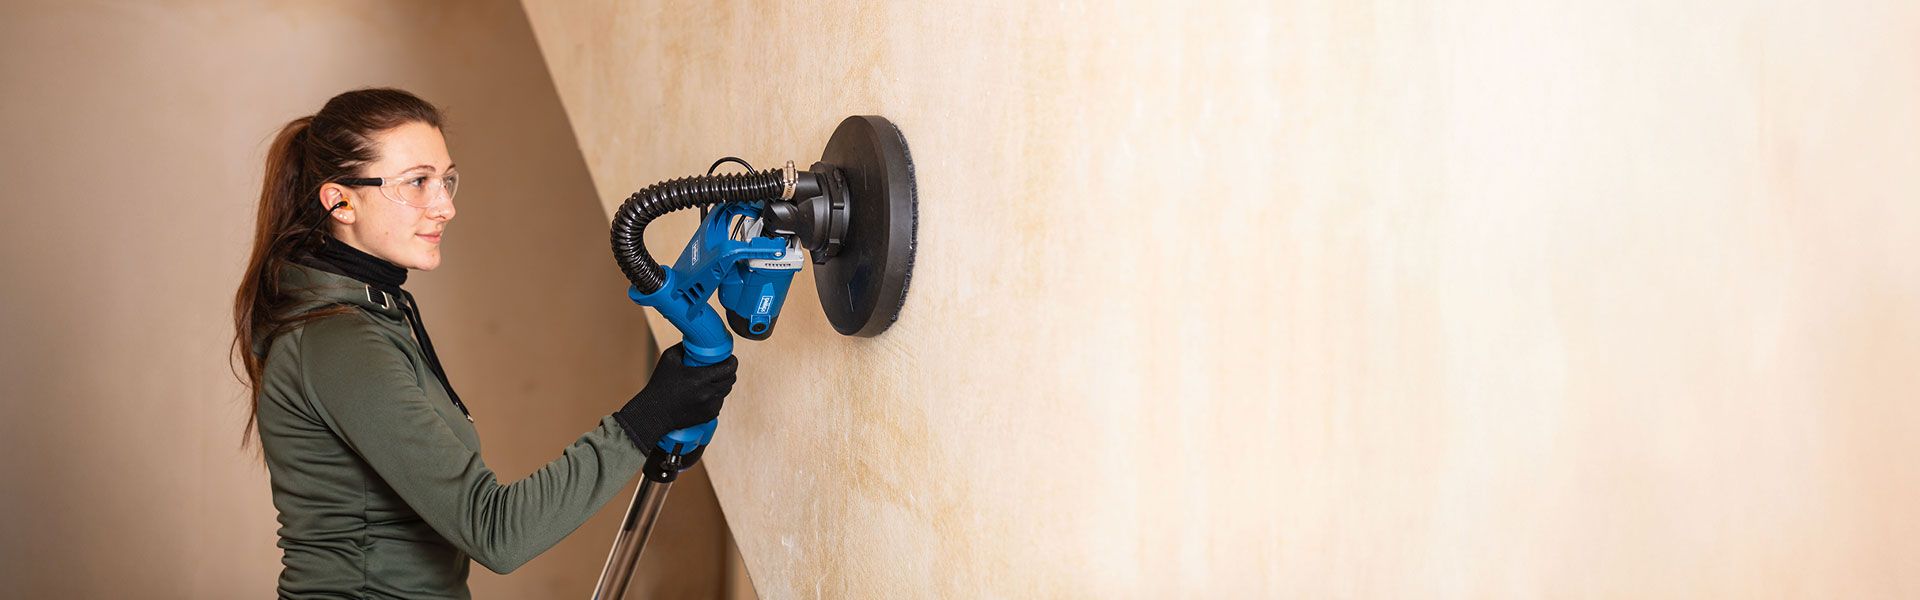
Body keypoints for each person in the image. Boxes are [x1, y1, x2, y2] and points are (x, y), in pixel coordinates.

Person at [229, 87, 734, 599]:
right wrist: (648, 417)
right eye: (417, 183)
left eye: (446, 180)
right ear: (340, 201)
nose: (444, 206)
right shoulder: (339, 341)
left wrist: (659, 410)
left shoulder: (375, 312)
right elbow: (496, 532)